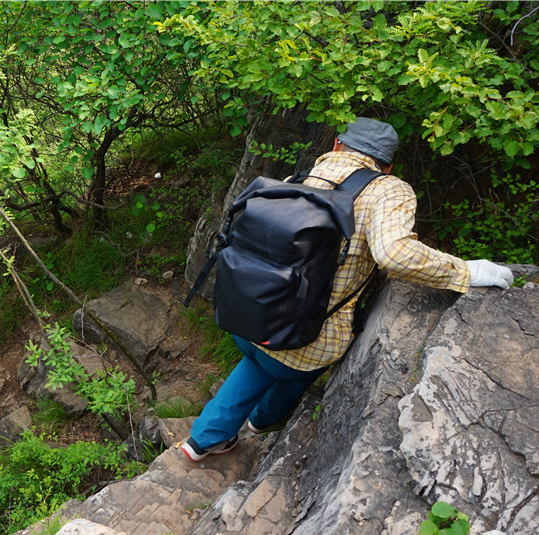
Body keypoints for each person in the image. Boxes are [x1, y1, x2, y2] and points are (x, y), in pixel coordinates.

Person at [180, 117, 513, 461]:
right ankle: (260, 423)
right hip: (306, 339)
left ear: (338, 144)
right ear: (387, 165)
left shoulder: (303, 179)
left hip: (252, 316)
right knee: (285, 374)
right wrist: (464, 271)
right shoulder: (388, 189)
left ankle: (204, 439)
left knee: (255, 364)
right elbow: (394, 253)